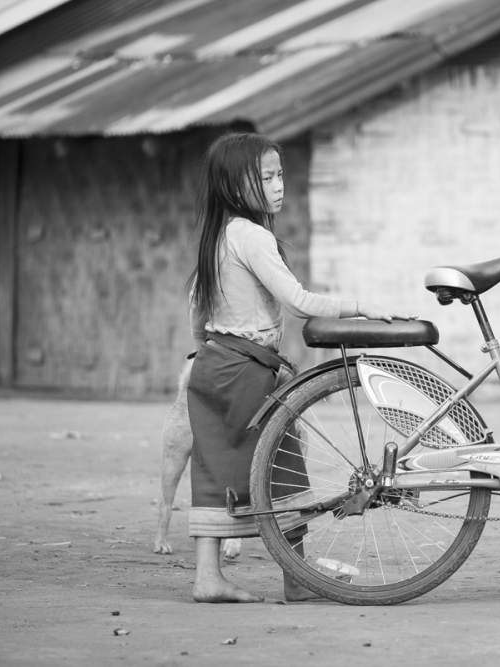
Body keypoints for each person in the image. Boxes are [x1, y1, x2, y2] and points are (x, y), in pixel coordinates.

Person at [186, 131, 410, 603]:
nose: (277, 185)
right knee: (284, 469)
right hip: (245, 369)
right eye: (265, 177)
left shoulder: (217, 234)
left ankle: (208, 577)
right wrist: (362, 306)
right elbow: (299, 301)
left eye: (279, 174)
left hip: (212, 366)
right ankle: (297, 577)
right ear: (233, 185)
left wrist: (205, 351)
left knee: (213, 470)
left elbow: (196, 305)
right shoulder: (252, 235)